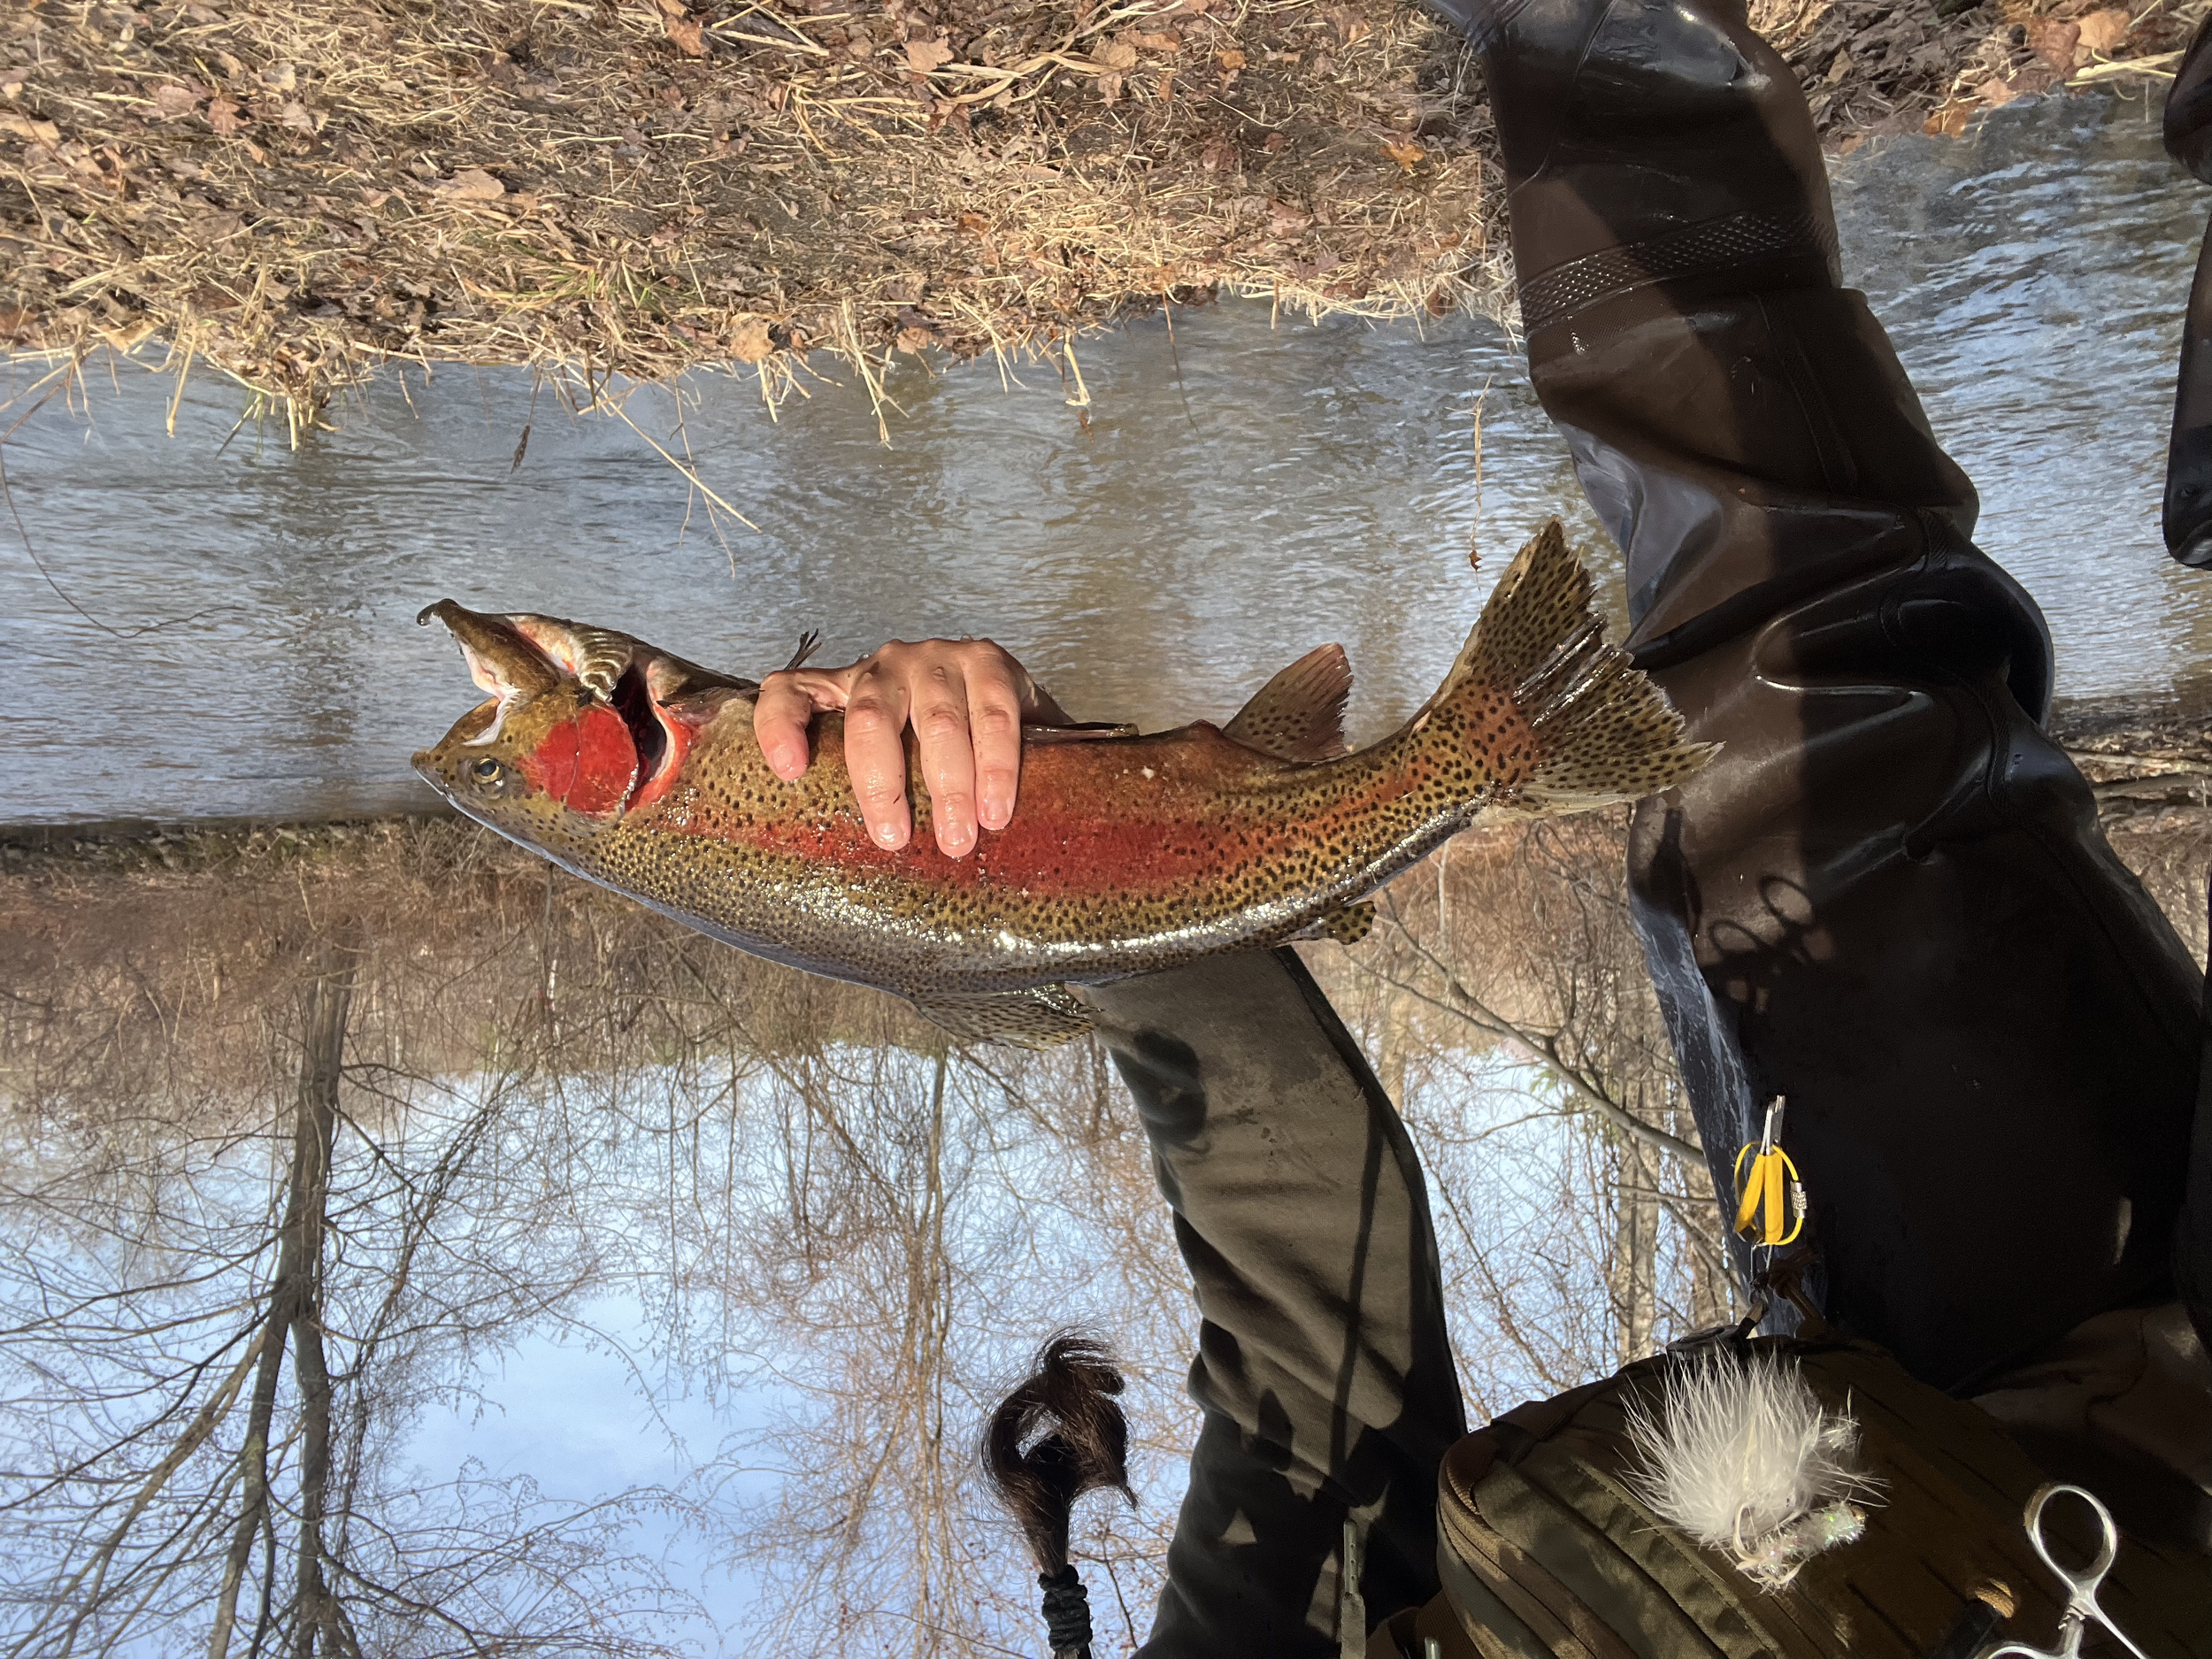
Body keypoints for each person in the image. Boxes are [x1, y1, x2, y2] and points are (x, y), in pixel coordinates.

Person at [754, 0, 2212, 1648]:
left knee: (1800, 650)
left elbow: (1319, 1310)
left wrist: (1015, 830)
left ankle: (1588, 34)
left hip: (1949, 1416)